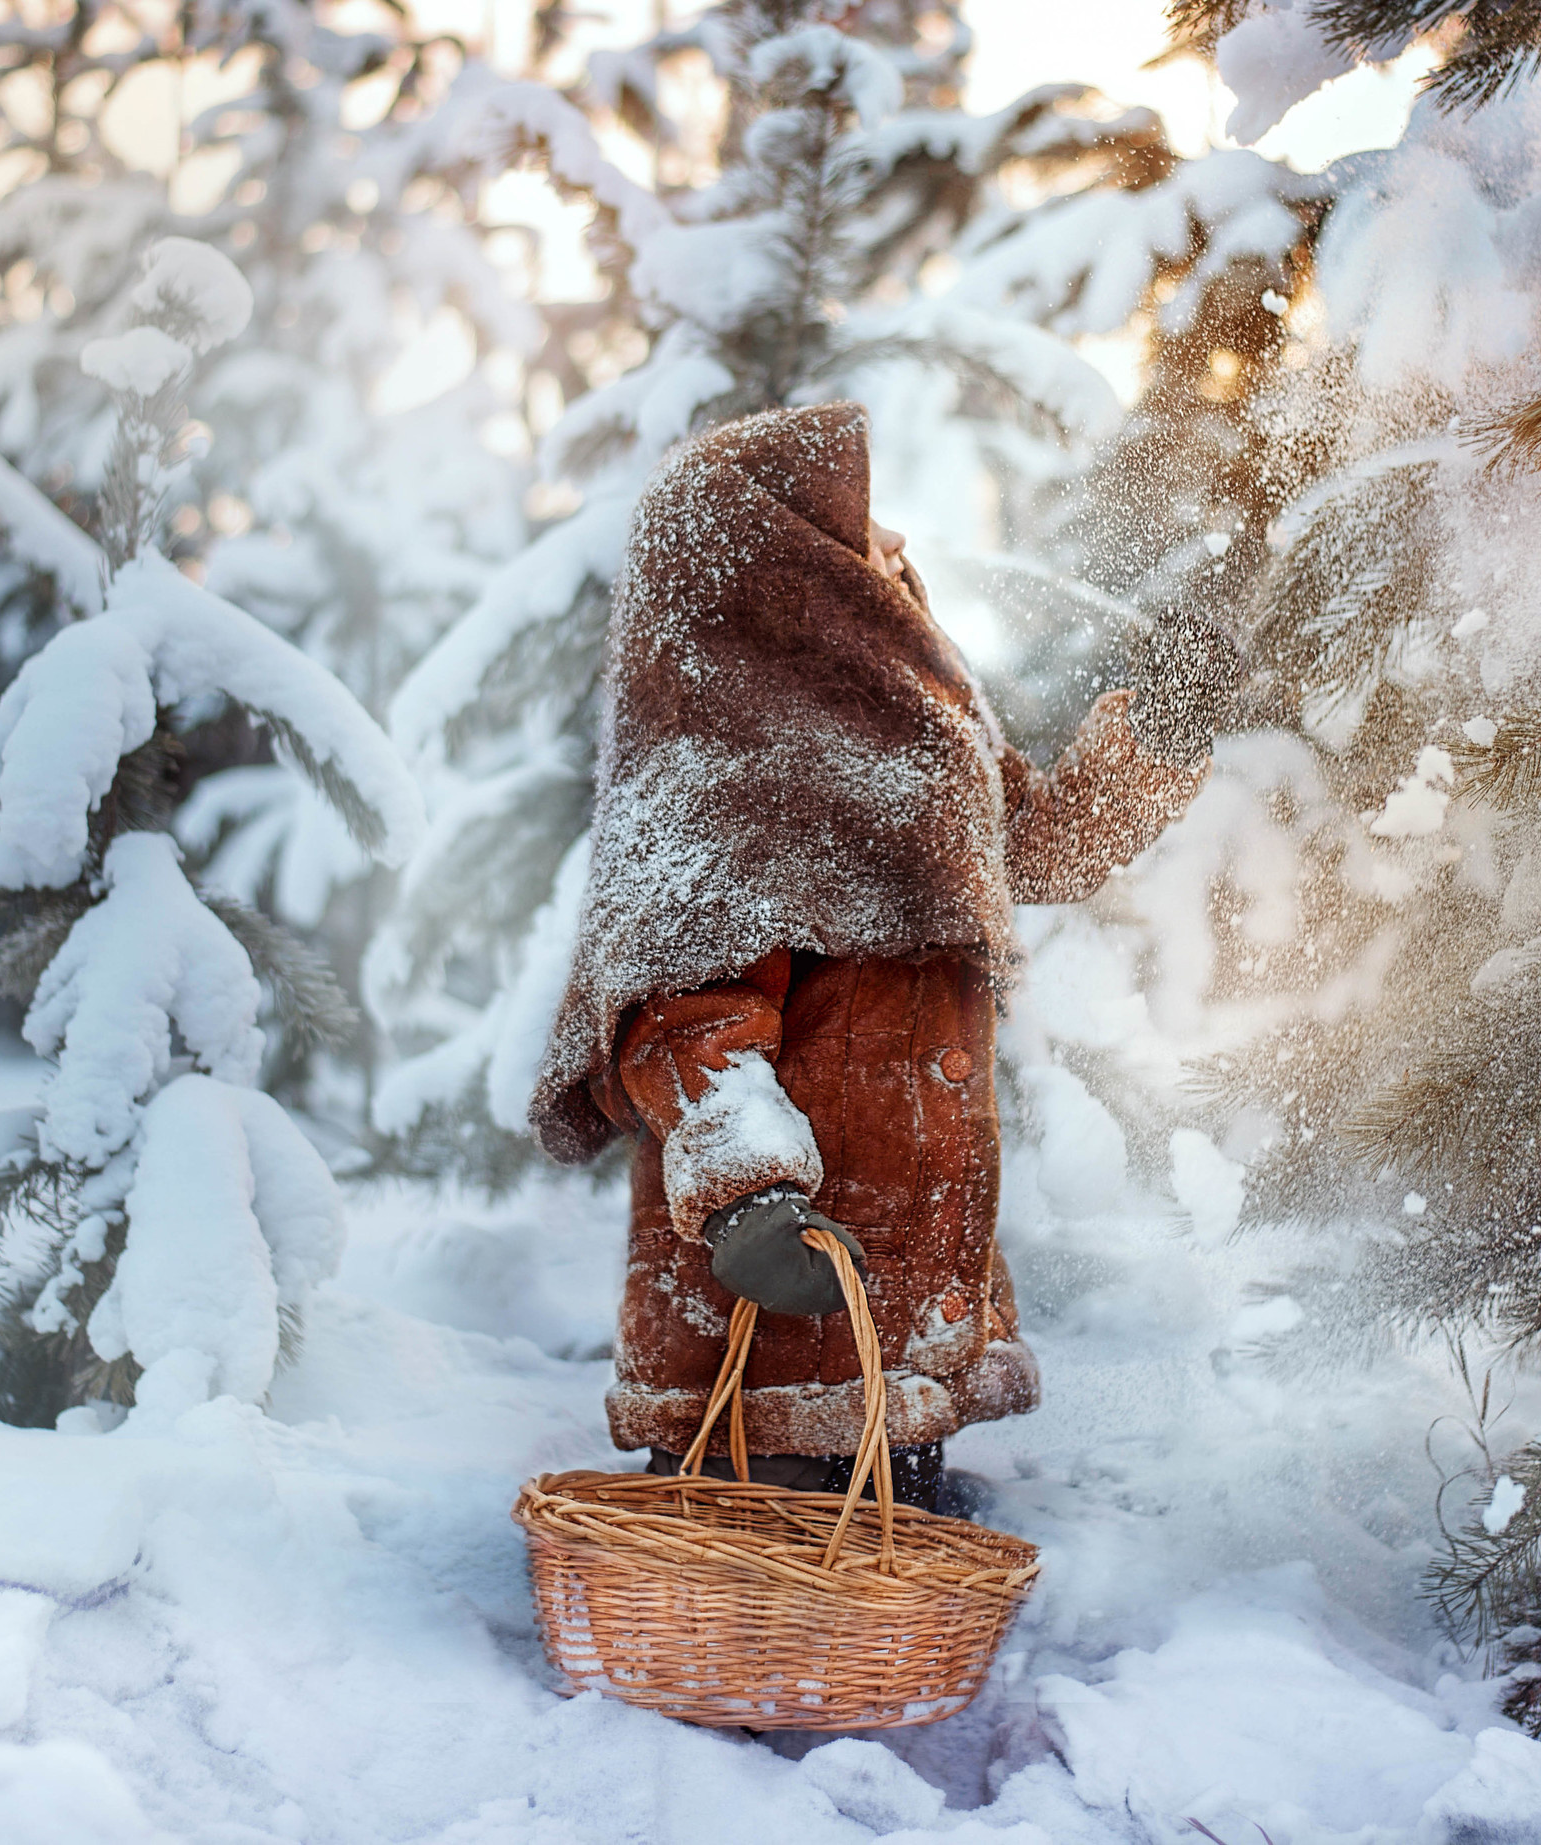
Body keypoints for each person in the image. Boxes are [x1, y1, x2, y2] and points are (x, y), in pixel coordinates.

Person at [528, 403, 1236, 1512]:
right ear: (777, 559)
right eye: (855, 530)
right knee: (764, 1559)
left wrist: (1155, 741)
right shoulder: (720, 754)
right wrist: (747, 1196)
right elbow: (681, 1000)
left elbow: (1024, 846)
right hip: (781, 1284)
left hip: (897, 1272)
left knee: (880, 1551)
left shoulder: (901, 713)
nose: (889, 548)